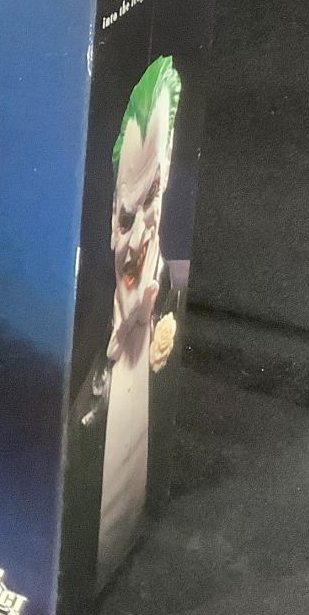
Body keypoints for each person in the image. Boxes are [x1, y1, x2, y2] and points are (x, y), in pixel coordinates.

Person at [78, 56, 183, 581]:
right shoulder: (84, 343)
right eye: (125, 214)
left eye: (152, 200)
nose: (139, 235)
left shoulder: (172, 294)